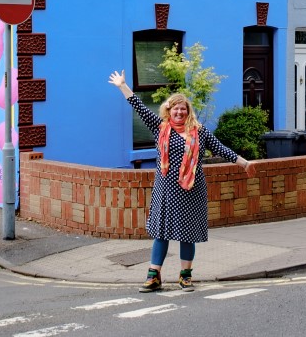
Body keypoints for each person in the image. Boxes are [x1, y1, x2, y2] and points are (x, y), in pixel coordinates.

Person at [108, 70, 256, 293]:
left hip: (192, 189)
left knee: (188, 234)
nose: (179, 111)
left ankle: (185, 277)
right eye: (175, 108)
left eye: (183, 108)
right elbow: (138, 106)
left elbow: (220, 148)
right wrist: (122, 85)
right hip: (165, 189)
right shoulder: (160, 128)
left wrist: (244, 163)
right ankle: (153, 276)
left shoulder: (200, 132)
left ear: (188, 112)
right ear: (169, 110)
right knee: (161, 232)